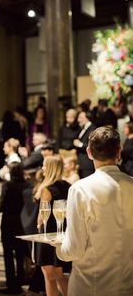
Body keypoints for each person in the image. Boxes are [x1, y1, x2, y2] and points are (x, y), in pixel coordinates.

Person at [55, 126, 133, 296]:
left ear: (89, 152)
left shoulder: (79, 189)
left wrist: (57, 247)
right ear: (118, 152)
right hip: (127, 285)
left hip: (90, 286)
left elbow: (74, 249)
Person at [35, 155, 71, 296]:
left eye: (44, 165)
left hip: (47, 235)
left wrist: (37, 226)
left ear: (49, 167)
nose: (42, 168)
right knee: (59, 274)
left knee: (49, 276)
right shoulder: (68, 186)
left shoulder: (46, 189)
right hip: (62, 233)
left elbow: (41, 217)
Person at [0, 163, 29, 294]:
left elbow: (1, 205)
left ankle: (11, 285)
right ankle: (21, 280)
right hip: (22, 222)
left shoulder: (7, 185)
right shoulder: (27, 185)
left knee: (8, 254)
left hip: (8, 221)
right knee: (20, 253)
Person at [73, 111, 95, 178]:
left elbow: (93, 145)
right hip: (82, 162)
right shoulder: (82, 129)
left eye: (80, 118)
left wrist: (80, 144)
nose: (78, 120)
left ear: (87, 118)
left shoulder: (92, 128)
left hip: (87, 163)